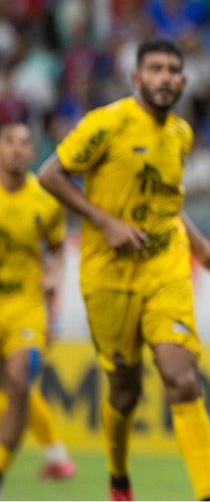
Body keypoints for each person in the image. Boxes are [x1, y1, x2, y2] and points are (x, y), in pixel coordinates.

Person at [38, 39, 210, 502]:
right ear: (136, 78)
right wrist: (104, 222)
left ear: (184, 82)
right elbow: (51, 174)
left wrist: (203, 249)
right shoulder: (107, 123)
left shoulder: (181, 135)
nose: (165, 77)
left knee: (181, 378)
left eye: (173, 70)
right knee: (124, 392)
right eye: (155, 69)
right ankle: (118, 476)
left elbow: (169, 204)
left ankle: (208, 495)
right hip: (108, 276)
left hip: (165, 270)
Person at [0, 122, 66, 496]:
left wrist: (54, 275)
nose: (18, 149)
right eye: (9, 141)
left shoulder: (45, 202)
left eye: (25, 143)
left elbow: (57, 249)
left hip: (25, 306)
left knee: (21, 383)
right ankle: (57, 454)